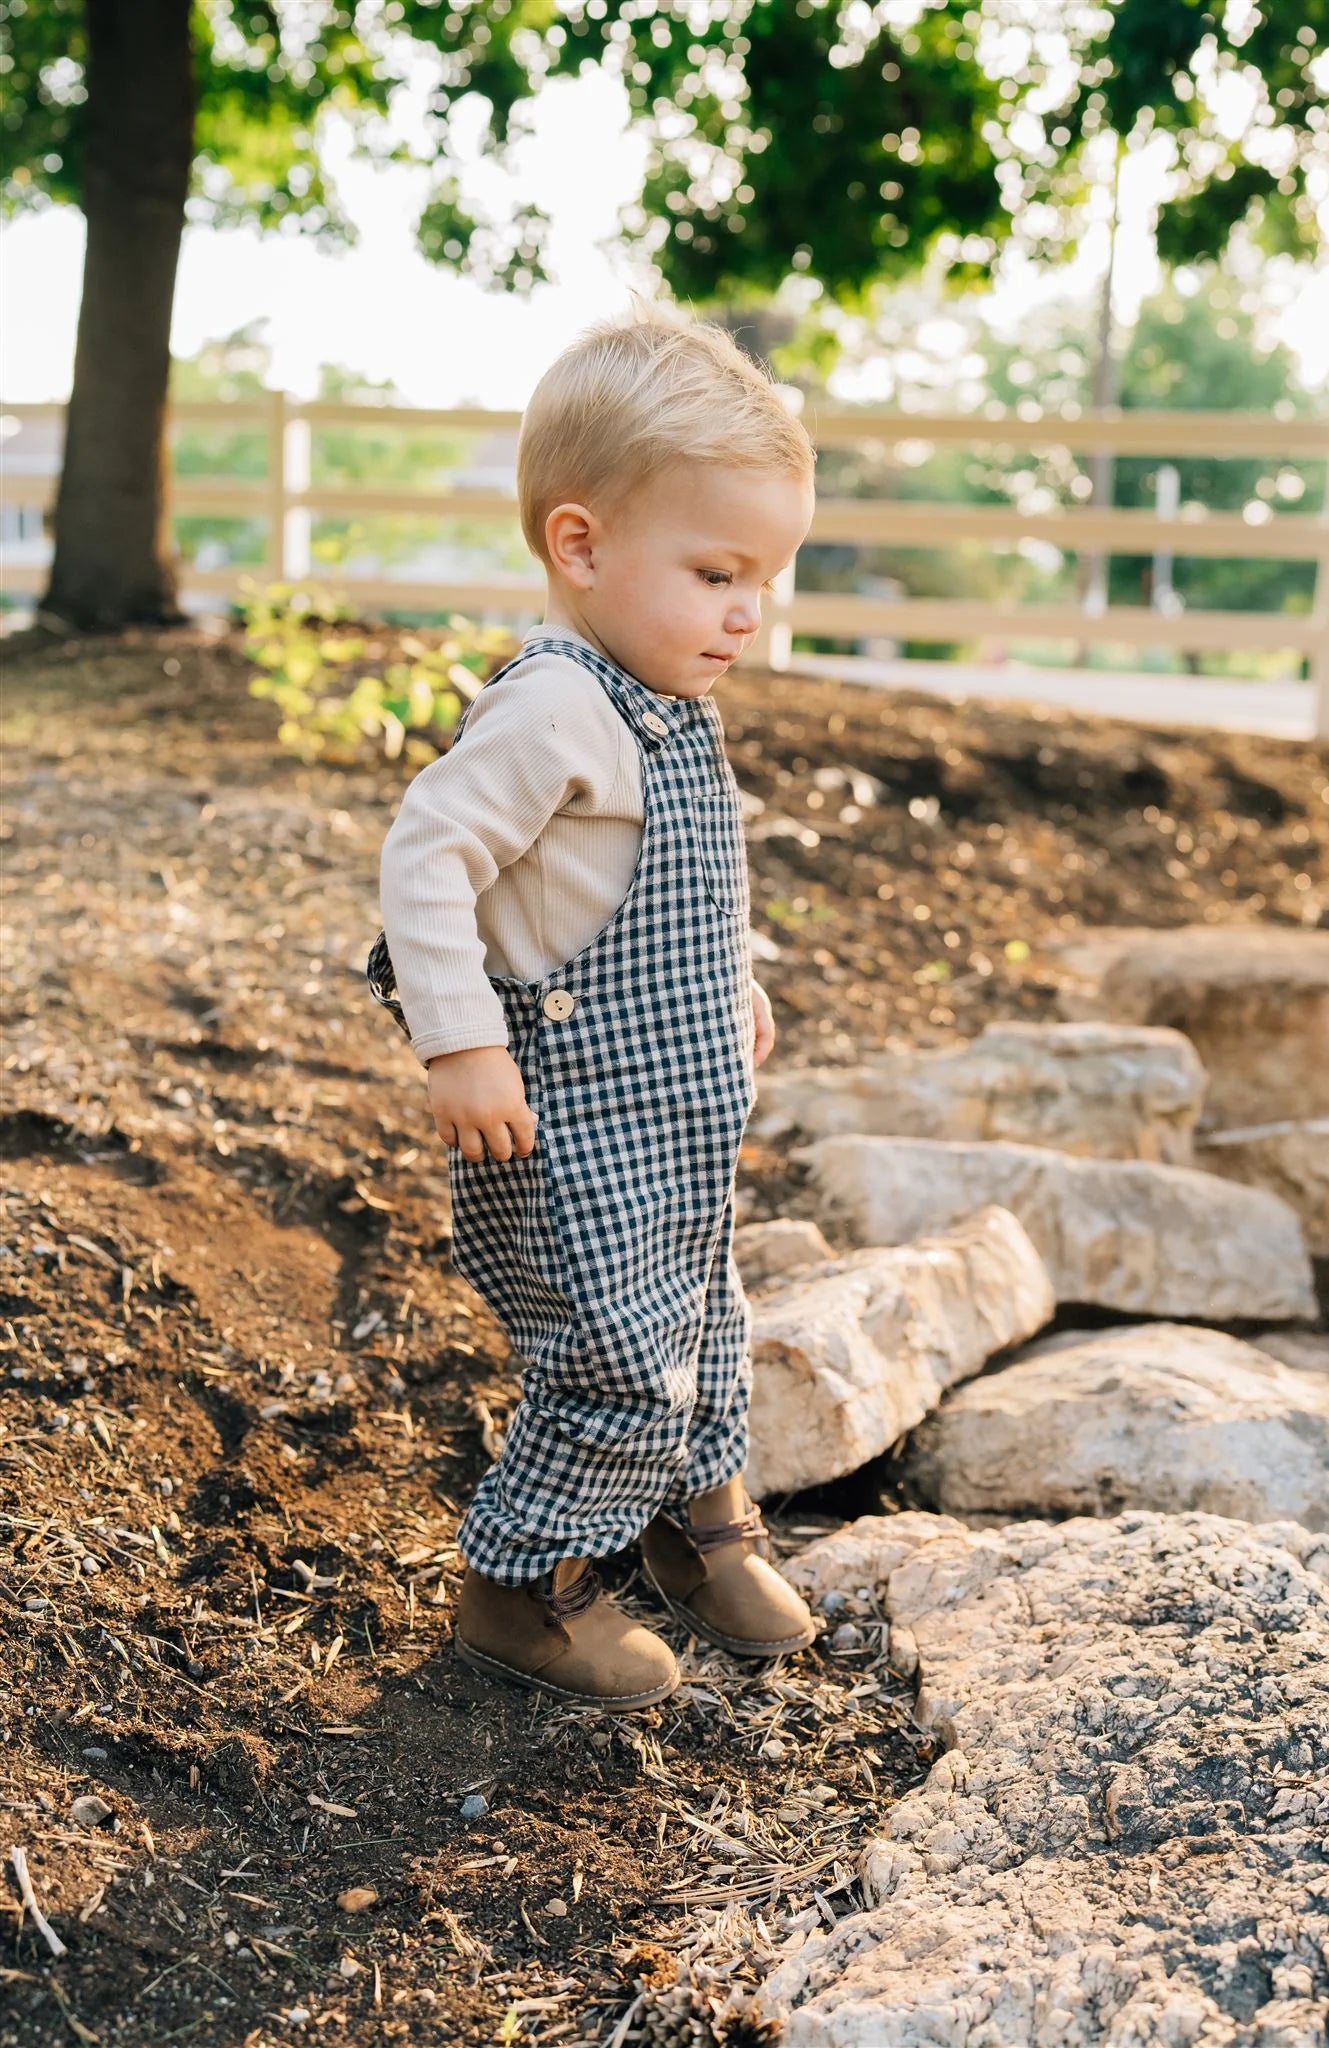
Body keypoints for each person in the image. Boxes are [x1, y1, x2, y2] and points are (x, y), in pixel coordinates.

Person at [373, 308, 817, 1711]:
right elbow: (425, 857)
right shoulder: (556, 709)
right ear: (580, 547)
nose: (748, 611)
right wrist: (460, 1042)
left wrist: (728, 979)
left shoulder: (667, 702)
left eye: (766, 577)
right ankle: (520, 1586)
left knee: (702, 1316)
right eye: (715, 572)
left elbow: (672, 881)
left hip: (671, 1122)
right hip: (562, 1126)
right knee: (615, 1353)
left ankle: (692, 1521)